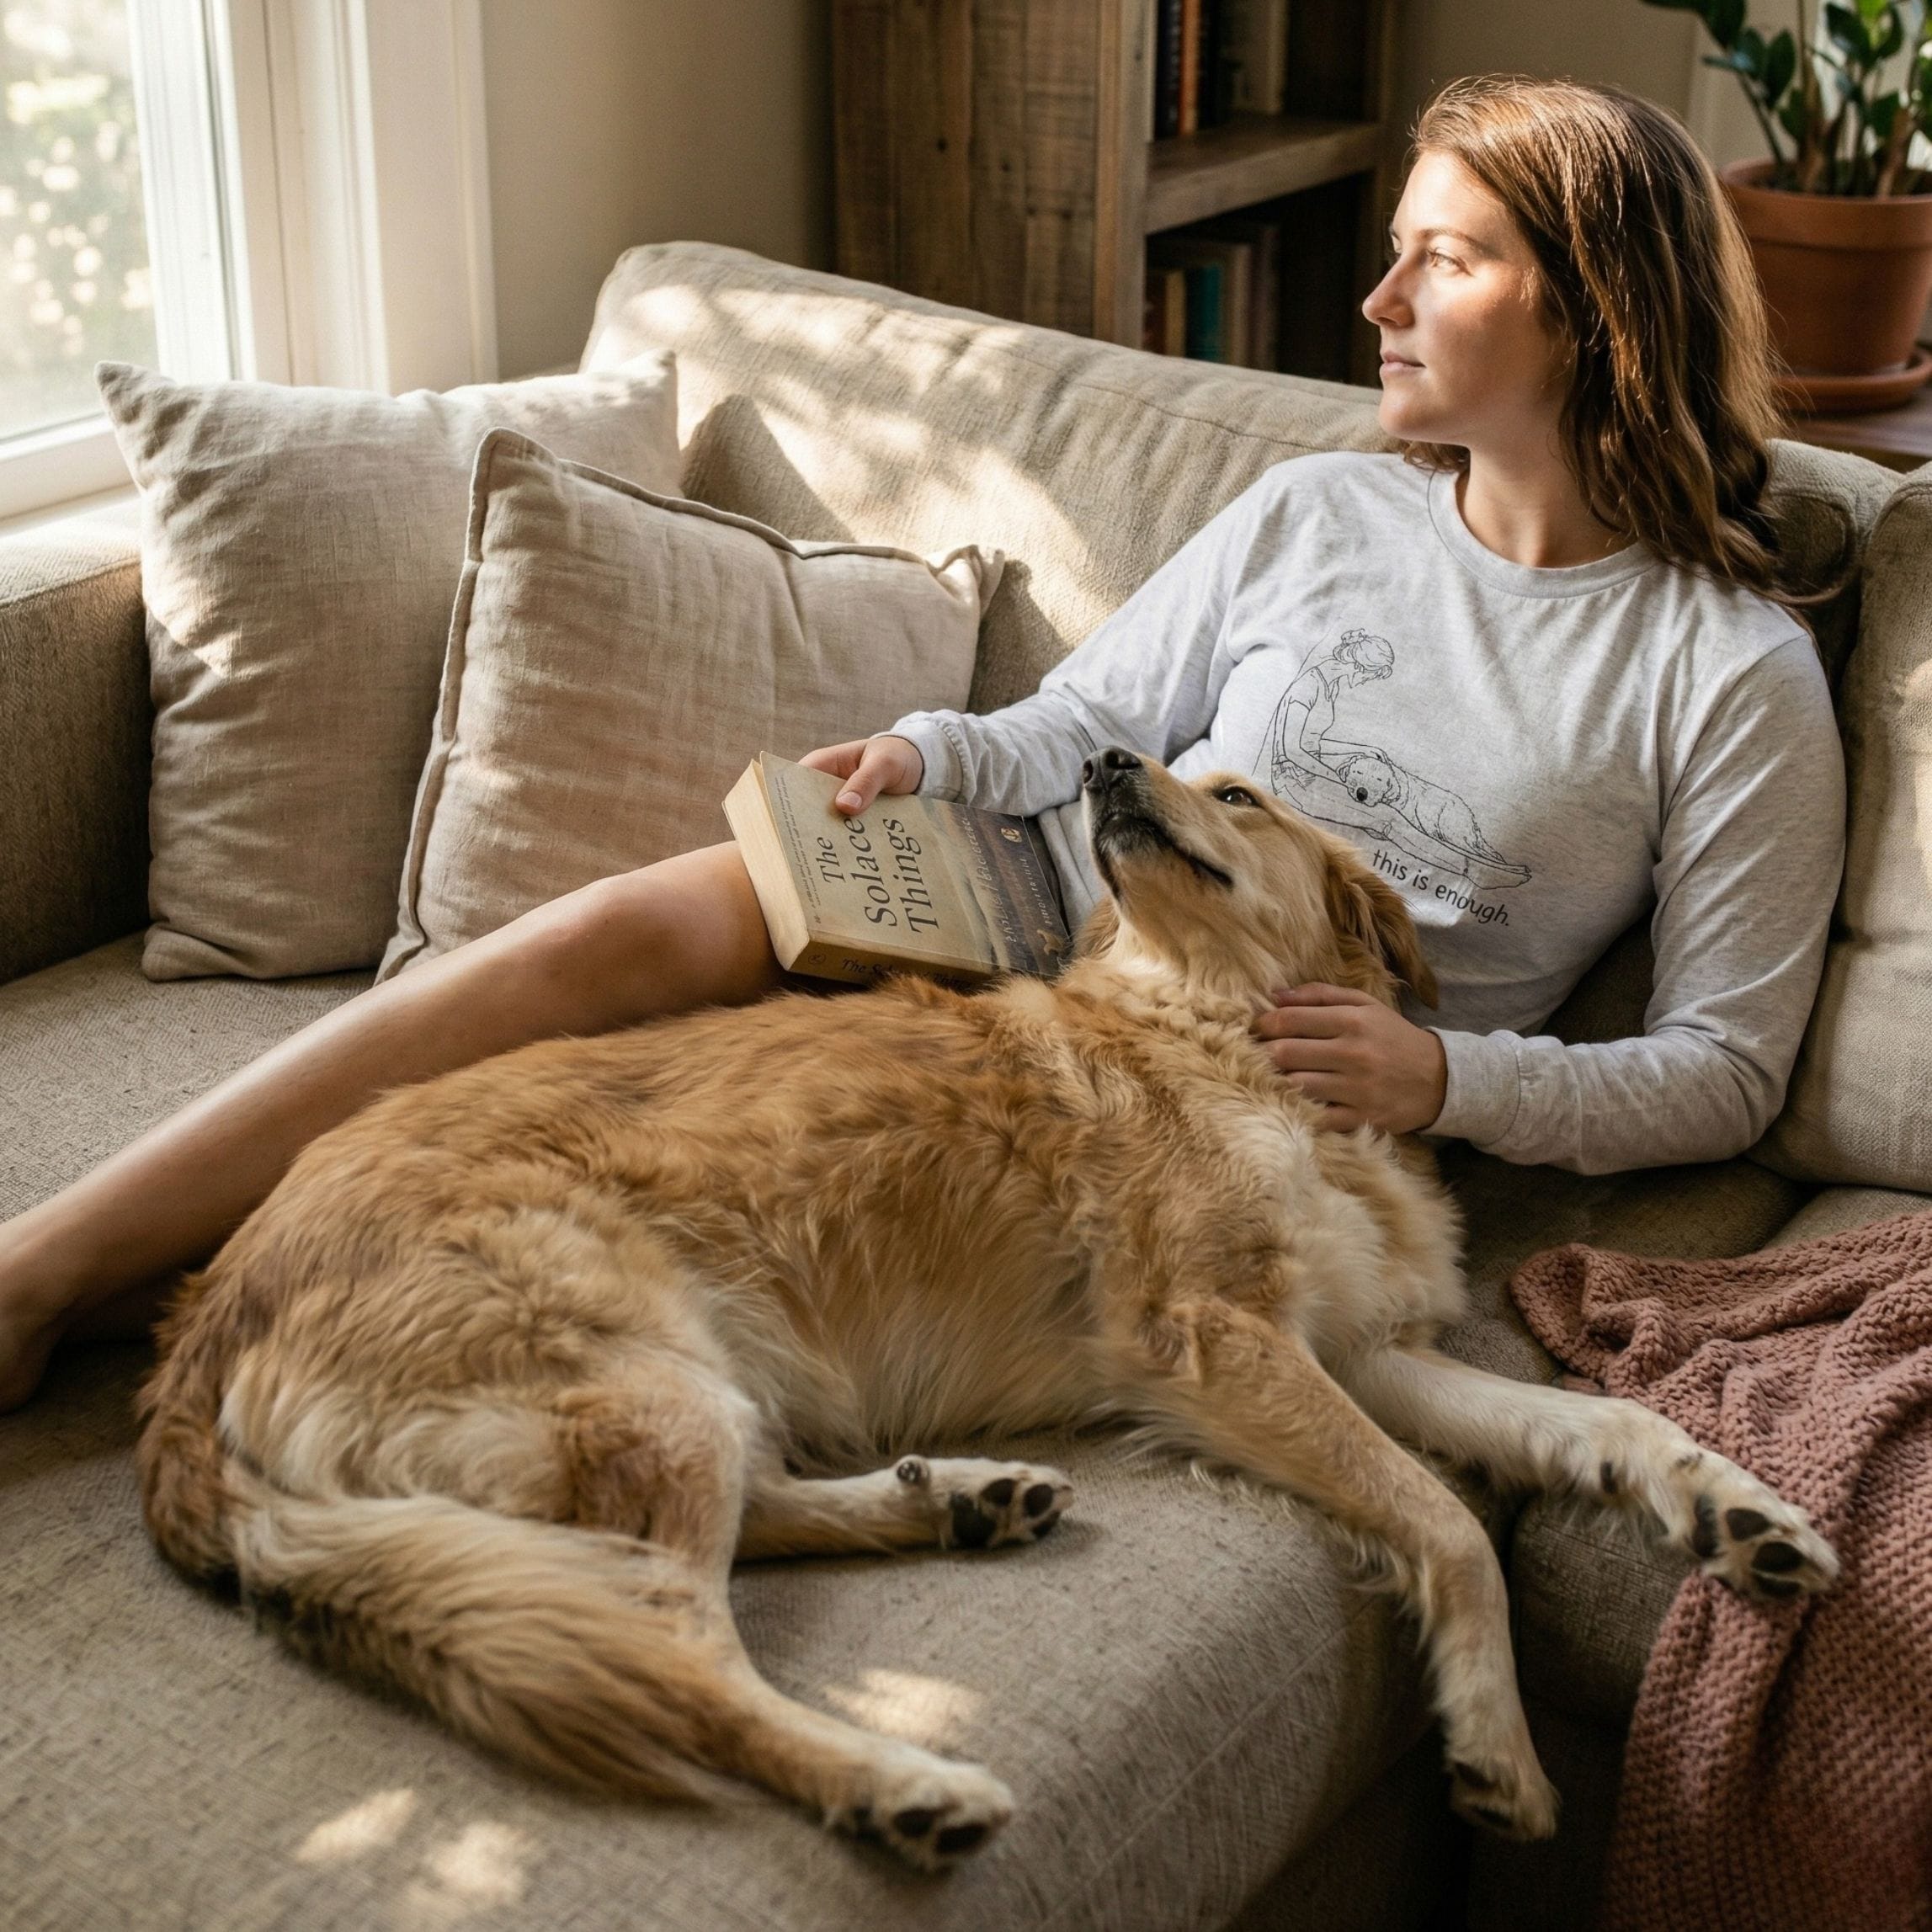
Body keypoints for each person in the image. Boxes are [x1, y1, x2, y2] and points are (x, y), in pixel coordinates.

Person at [0, 74, 1844, 1411]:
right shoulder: (1327, 511)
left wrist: (1443, 1083)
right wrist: (929, 753)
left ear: (1593, 306)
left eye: (1437, 263)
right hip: (1022, 894)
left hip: (1225, 1053)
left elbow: (1721, 1069)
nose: (1373, 306)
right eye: (1389, 256)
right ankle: (54, 1263)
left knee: (651, 1120)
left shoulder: (1723, 671)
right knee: (611, 939)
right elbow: (1091, 720)